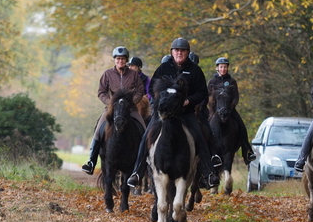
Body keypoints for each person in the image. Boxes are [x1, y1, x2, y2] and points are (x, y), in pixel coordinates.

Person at [127, 37, 222, 189]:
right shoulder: (163, 68)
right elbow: (152, 89)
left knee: (199, 136)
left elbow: (202, 92)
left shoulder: (195, 71)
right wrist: (162, 98)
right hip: (163, 113)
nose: (179, 53)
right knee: (146, 136)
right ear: (172, 52)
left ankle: (209, 173)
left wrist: (188, 101)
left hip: (185, 113)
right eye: (176, 50)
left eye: (182, 50)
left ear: (187, 53)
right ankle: (137, 173)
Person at [81, 46, 146, 175]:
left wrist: (132, 102)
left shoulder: (133, 74)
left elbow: (140, 91)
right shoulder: (107, 74)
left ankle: (145, 163)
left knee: (144, 131)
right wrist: (110, 103)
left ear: (126, 60)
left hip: (130, 109)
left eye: (122, 59)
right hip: (111, 109)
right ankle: (91, 161)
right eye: (118, 59)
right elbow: (101, 92)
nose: (120, 61)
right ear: (114, 60)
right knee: (99, 131)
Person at [207, 57, 256, 165]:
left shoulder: (231, 81)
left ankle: (247, 152)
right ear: (217, 68)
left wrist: (230, 107)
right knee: (205, 127)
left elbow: (235, 97)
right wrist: (213, 108)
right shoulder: (212, 81)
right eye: (221, 67)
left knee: (242, 126)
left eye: (225, 67)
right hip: (214, 111)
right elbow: (208, 96)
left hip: (229, 110)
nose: (223, 69)